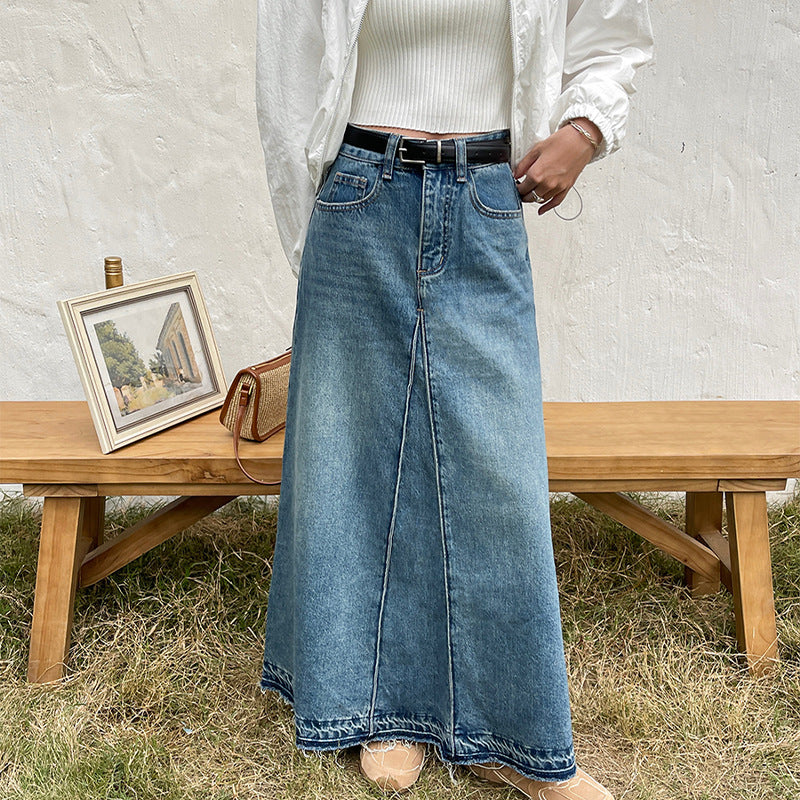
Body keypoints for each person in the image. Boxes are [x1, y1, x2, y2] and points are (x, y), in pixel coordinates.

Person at [255, 2, 654, 798]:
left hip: (485, 192)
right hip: (359, 191)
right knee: (359, 462)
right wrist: (313, 238)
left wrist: (584, 130)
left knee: (498, 472)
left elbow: (613, 35)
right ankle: (384, 711)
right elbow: (287, 79)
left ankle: (516, 740)